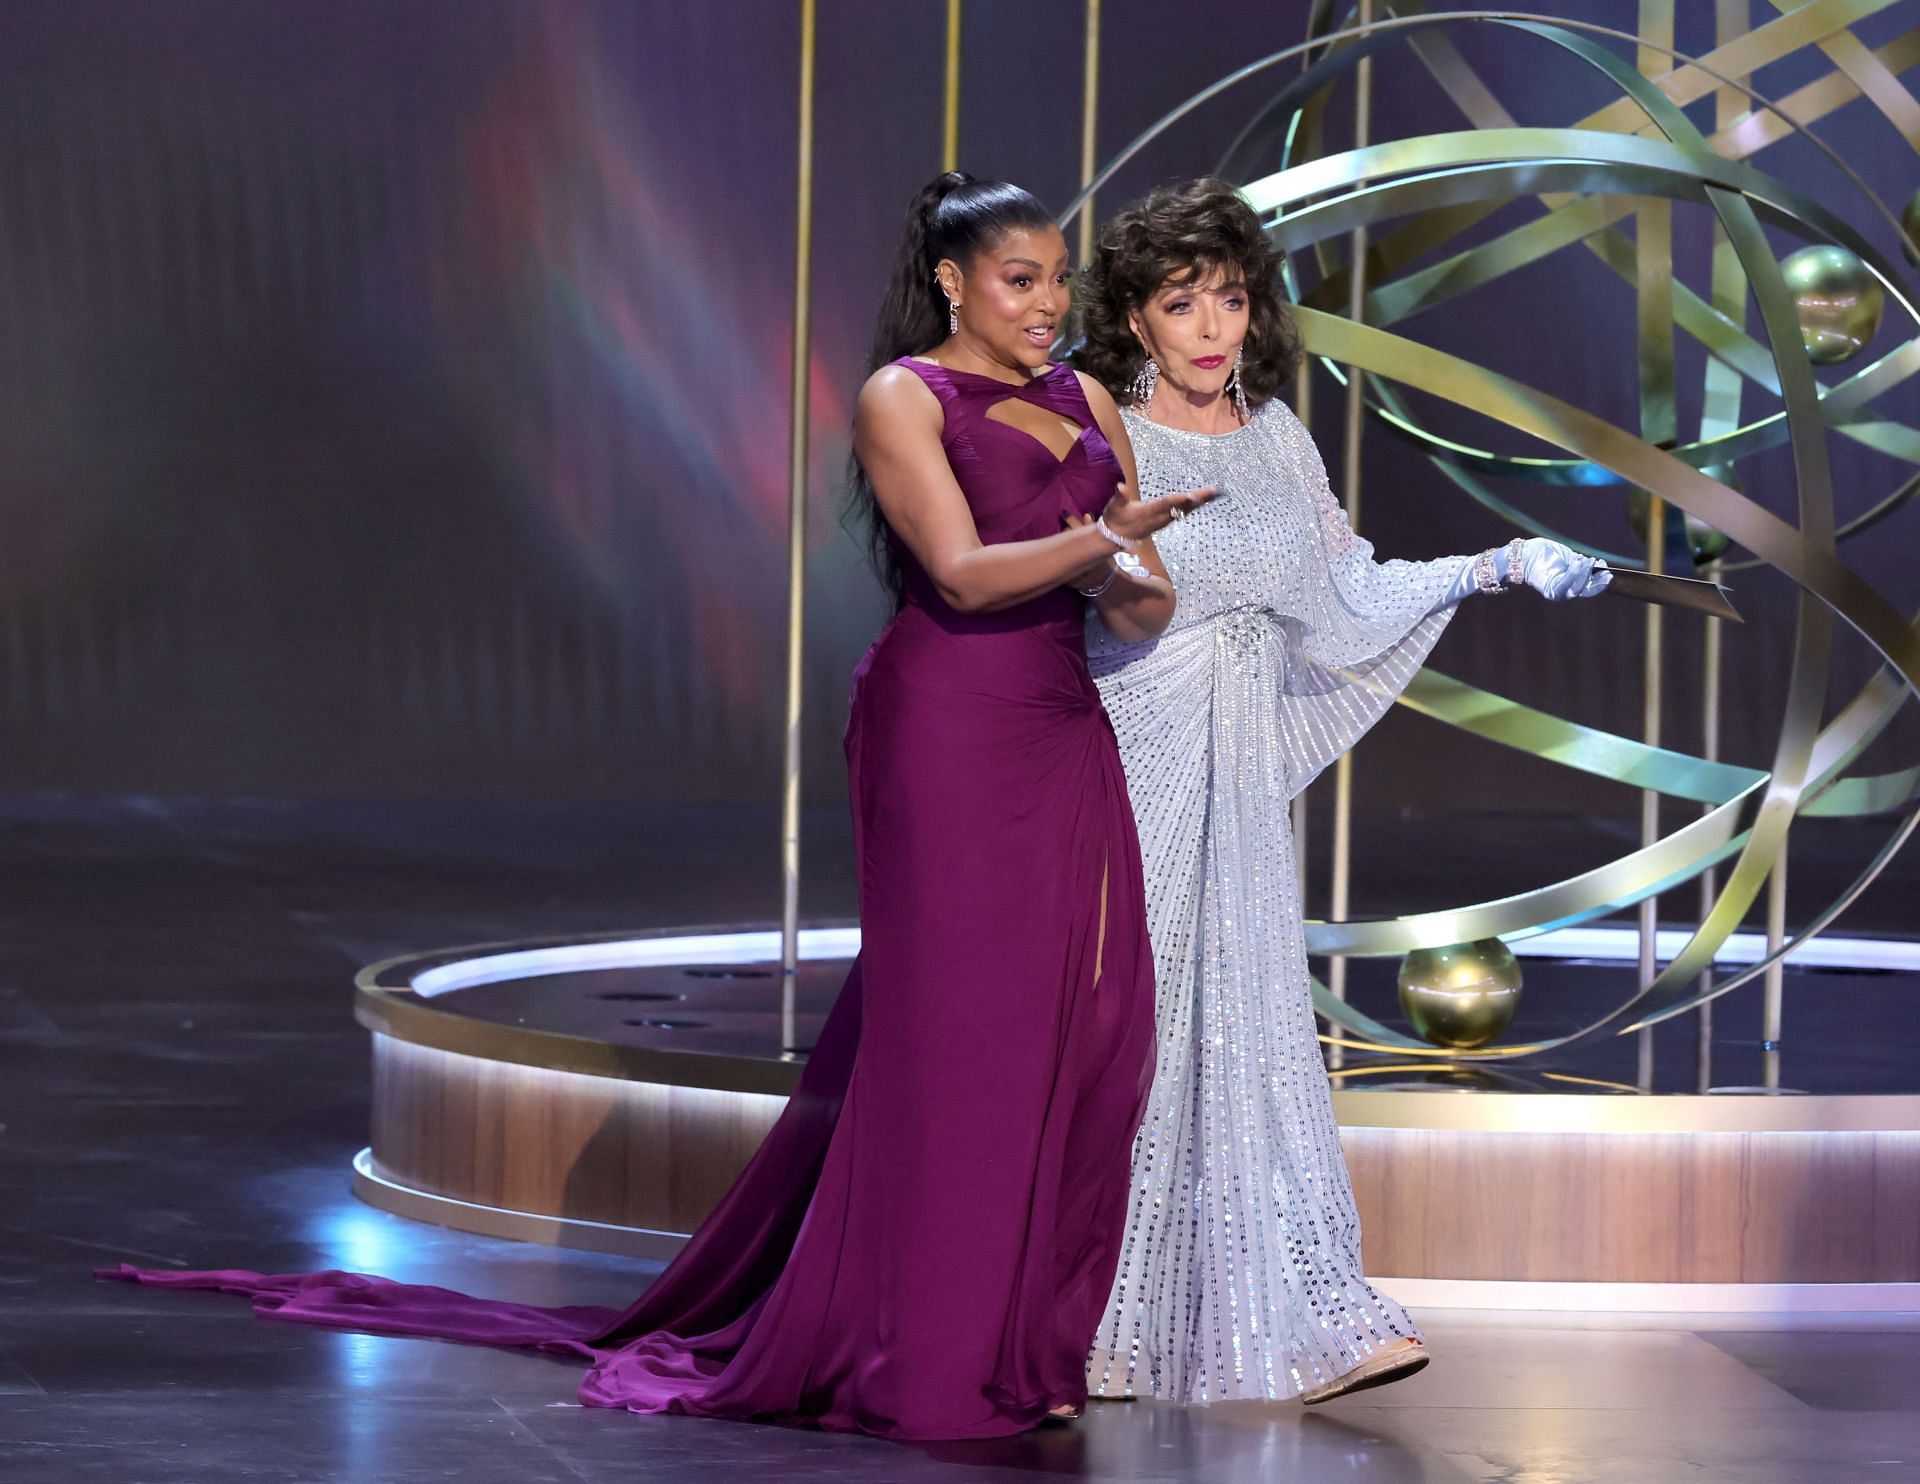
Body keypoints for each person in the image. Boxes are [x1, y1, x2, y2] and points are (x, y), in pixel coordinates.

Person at [100, 172, 1217, 1442]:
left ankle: (1030, 1339)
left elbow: (1146, 601)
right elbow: (959, 576)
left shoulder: (1088, 403)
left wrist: (1126, 558)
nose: (1050, 302)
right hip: (949, 727)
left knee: (1094, 1022)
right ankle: (930, 1349)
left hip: (1062, 723)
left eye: (1061, 278)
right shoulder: (903, 398)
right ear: (955, 283)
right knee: (960, 1032)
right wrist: (1097, 539)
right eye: (1023, 279)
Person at [1069, 178, 1609, 1407]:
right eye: (1180, 301)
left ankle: (1313, 1311)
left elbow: (1348, 588)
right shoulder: (1104, 425)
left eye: (1230, 297)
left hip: (1242, 776)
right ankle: (1091, 1318)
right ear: (1138, 320)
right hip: (1130, 757)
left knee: (1248, 1030)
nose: (1211, 324)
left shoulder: (1278, 435)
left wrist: (1501, 563)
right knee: (1133, 1038)